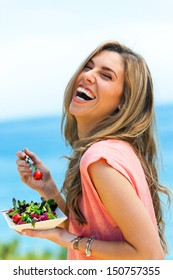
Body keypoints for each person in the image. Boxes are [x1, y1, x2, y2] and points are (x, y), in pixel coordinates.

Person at [16, 40, 171, 260]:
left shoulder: (100, 158)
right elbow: (90, 232)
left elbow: (150, 256)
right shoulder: (117, 150)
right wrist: (49, 189)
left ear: (124, 102)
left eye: (106, 75)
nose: (87, 75)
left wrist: (65, 240)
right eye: (88, 67)